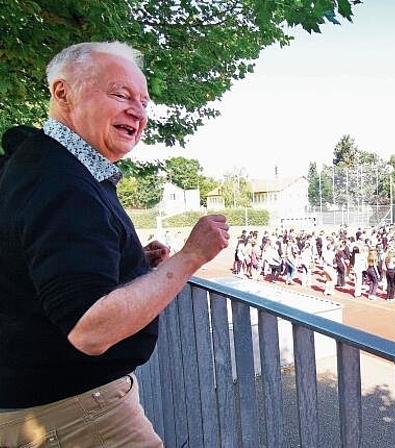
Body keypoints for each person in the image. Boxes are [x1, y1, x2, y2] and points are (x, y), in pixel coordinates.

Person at [0, 42, 230, 446]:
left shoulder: (37, 163)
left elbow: (28, 261)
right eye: (120, 94)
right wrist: (192, 256)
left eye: (144, 102)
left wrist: (129, 263)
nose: (137, 111)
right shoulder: (63, 182)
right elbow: (90, 329)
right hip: (75, 414)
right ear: (63, 93)